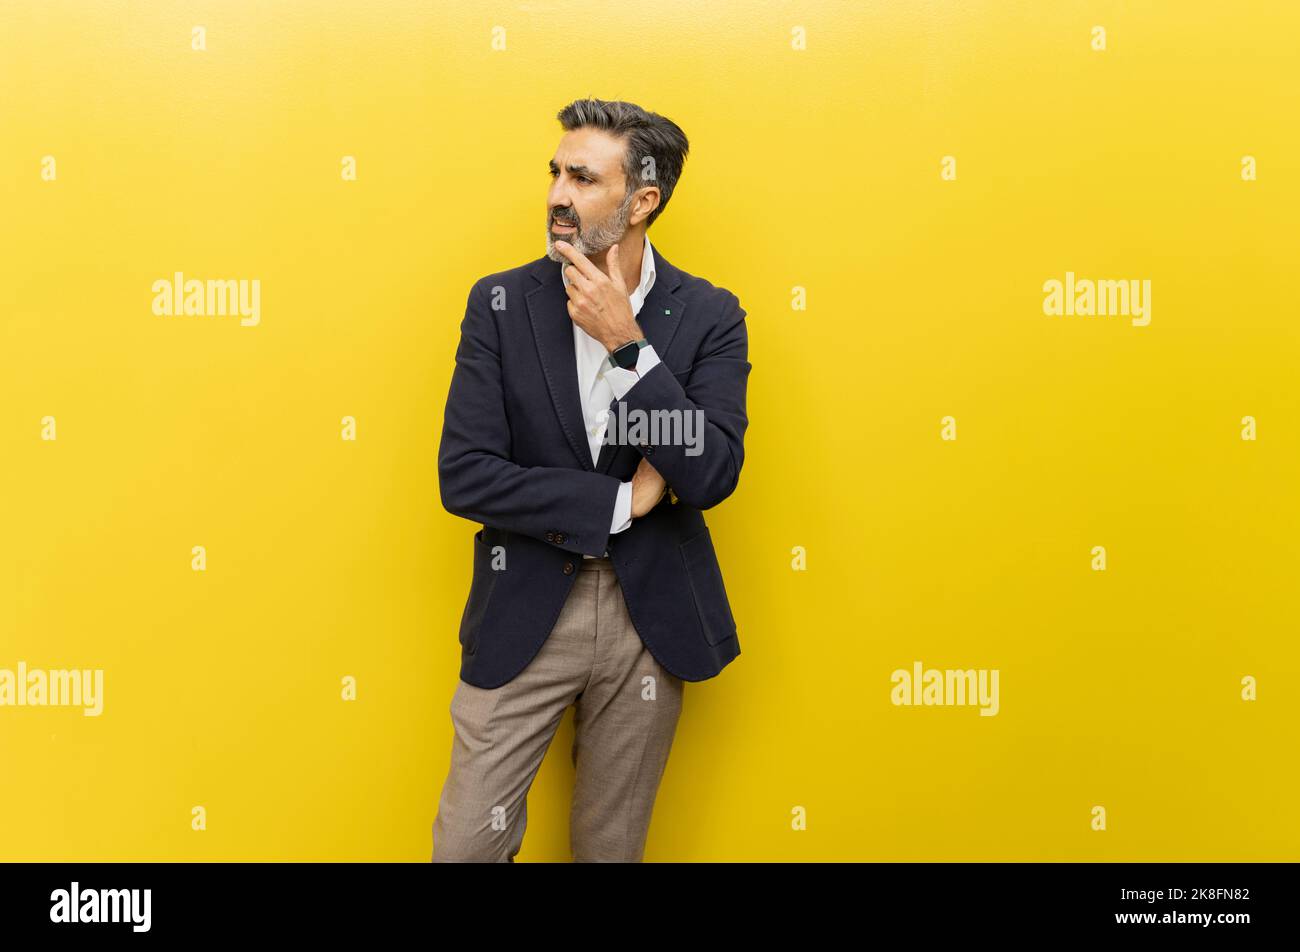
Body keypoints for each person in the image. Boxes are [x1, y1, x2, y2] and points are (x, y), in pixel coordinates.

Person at [432, 97, 750, 862]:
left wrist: (628, 347)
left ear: (643, 201)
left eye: (582, 177)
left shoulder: (708, 315)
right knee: (467, 847)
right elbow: (467, 475)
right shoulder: (502, 304)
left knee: (610, 850)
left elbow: (708, 468)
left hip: (650, 619)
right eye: (554, 174)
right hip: (528, 600)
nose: (556, 196)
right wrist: (623, 498)